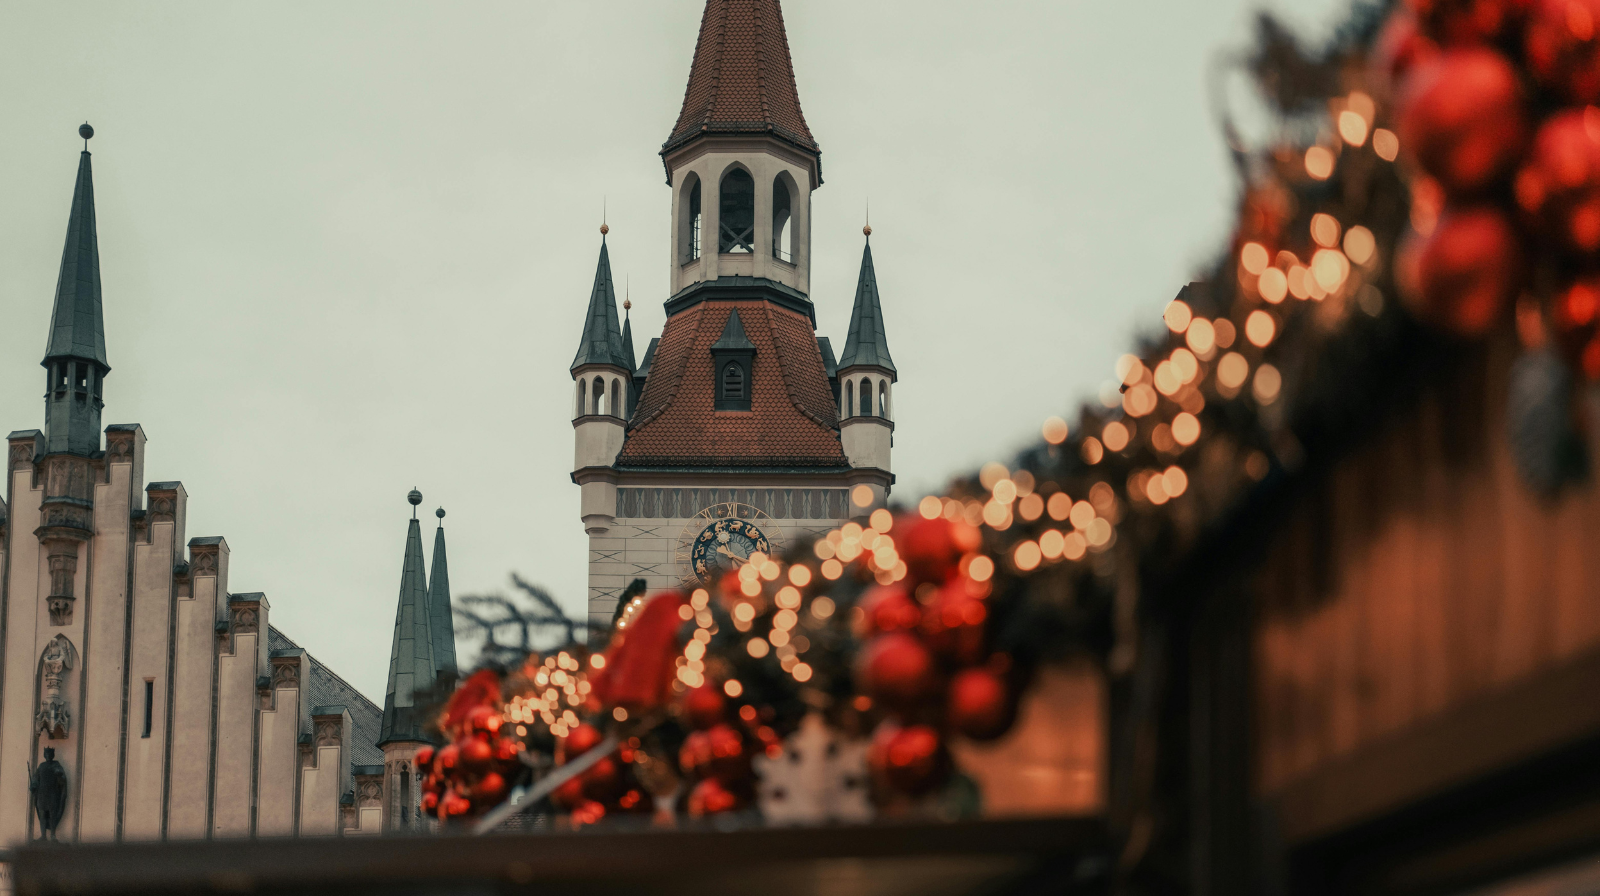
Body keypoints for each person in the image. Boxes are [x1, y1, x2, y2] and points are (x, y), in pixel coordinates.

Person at [30, 747, 67, 840]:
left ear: (52, 755)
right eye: (46, 754)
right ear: (44, 755)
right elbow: (35, 778)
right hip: (42, 795)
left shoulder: (56, 765)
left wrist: (59, 776)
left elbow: (62, 780)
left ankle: (53, 836)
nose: (48, 756)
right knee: (42, 815)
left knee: (52, 815)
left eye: (50, 754)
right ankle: (43, 836)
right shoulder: (41, 766)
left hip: (52, 794)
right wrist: (34, 785)